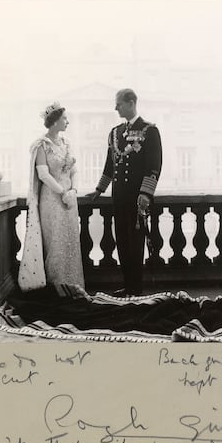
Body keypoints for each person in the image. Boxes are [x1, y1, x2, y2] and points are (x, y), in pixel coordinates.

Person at [87, 89, 162, 296]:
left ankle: (136, 288)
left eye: (118, 103)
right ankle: (128, 285)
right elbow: (109, 165)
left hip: (137, 198)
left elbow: (154, 165)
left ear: (131, 103)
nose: (115, 107)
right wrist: (99, 189)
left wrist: (146, 194)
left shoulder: (149, 131)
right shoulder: (114, 133)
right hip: (118, 196)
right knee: (121, 239)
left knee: (136, 242)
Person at [18, 102, 84, 291]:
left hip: (69, 200)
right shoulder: (41, 145)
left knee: (70, 241)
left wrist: (74, 191)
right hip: (52, 200)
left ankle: (74, 286)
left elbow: (75, 171)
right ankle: (57, 288)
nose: (67, 122)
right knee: (55, 243)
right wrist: (62, 192)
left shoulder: (67, 143)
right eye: (64, 118)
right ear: (54, 121)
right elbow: (43, 175)